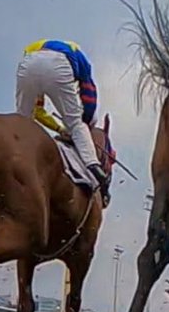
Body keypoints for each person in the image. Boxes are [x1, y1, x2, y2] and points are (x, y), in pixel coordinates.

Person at [17, 39, 108, 203]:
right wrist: (83, 125)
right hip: (60, 63)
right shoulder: (81, 59)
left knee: (22, 123)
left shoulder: (35, 49)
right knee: (76, 124)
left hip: (28, 62)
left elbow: (37, 111)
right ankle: (95, 170)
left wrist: (59, 129)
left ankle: (16, 160)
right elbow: (89, 98)